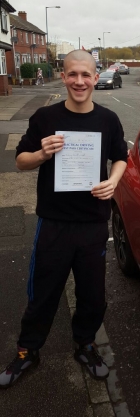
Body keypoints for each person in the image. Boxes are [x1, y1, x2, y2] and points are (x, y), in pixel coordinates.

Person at [0, 50, 127, 389]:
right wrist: (42, 153)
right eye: (72, 74)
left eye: (86, 74)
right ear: (63, 75)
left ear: (95, 77)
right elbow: (20, 162)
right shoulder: (45, 118)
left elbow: (120, 158)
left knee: (92, 294)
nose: (79, 81)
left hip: (92, 224)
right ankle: (28, 351)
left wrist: (113, 181)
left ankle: (85, 345)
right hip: (53, 223)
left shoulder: (108, 120)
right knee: (43, 292)